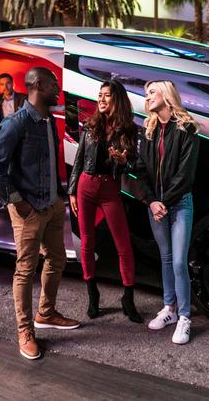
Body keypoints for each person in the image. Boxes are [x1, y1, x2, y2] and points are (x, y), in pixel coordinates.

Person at [0, 67, 79, 361]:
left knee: (57, 259)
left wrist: (59, 197)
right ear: (38, 84)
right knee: (26, 269)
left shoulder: (48, 121)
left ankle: (46, 313)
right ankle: (25, 331)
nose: (58, 89)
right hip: (28, 209)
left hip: (51, 204)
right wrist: (18, 201)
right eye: (54, 83)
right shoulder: (16, 123)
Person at [68, 80, 142, 323]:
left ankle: (128, 298)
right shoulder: (90, 126)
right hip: (85, 186)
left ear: (116, 99)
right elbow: (79, 160)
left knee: (124, 245)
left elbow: (134, 165)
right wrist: (71, 191)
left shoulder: (128, 129)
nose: (101, 99)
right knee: (87, 242)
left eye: (106, 95)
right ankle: (93, 294)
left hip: (110, 188)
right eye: (99, 95)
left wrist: (122, 161)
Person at [134, 80, 200, 345]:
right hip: (156, 206)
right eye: (146, 93)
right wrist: (152, 201)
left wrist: (163, 201)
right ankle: (169, 308)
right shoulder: (148, 130)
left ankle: (184, 316)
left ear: (167, 94)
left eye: (152, 92)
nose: (147, 97)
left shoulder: (187, 128)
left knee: (179, 262)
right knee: (165, 258)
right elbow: (140, 171)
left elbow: (186, 174)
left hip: (179, 203)